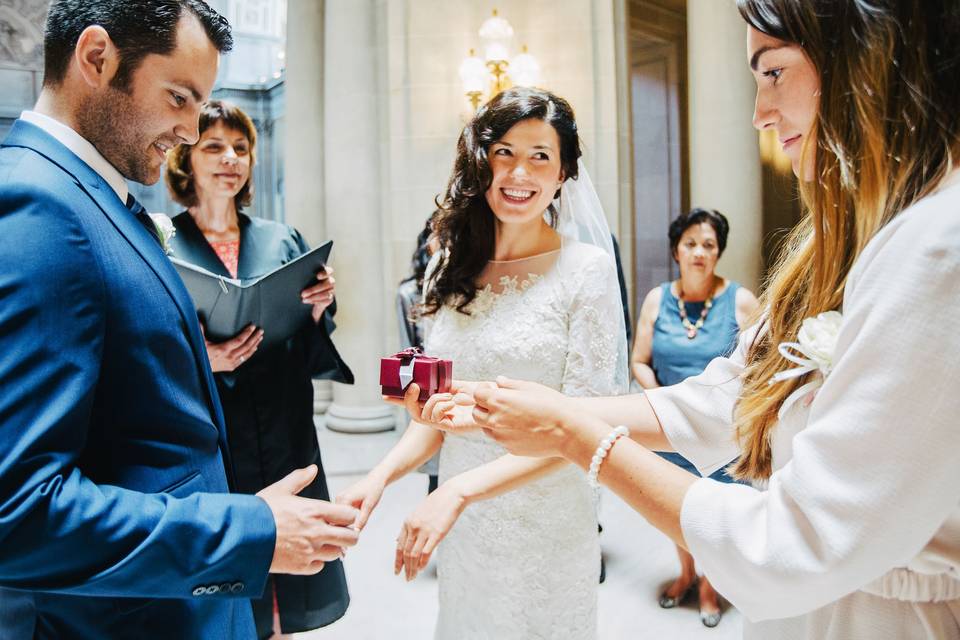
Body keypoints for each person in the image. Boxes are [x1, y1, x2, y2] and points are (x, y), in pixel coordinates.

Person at [432, 1, 960, 639]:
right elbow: (727, 396)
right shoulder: (843, 238)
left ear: (866, 61)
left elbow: (793, 543)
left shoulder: (936, 245)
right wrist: (546, 411)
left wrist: (576, 434)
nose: (759, 113)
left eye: (772, 73)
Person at [0, 2, 359, 638]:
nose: (191, 132)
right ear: (96, 57)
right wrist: (246, 531)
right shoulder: (39, 206)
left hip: (176, 597)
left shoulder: (98, 197)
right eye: (180, 97)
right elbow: (19, 508)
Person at [338, 87, 629, 639]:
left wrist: (457, 492)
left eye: (540, 155)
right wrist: (377, 479)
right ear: (481, 161)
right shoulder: (451, 267)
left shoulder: (586, 272)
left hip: (546, 516)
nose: (519, 172)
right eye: (505, 152)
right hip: (466, 520)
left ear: (564, 172)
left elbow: (583, 433)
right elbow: (436, 422)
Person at [164, 100, 353, 640]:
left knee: (291, 574)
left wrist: (319, 305)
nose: (231, 158)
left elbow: (307, 330)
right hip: (212, 427)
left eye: (241, 148)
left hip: (284, 419)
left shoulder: (281, 238)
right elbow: (147, 344)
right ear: (187, 159)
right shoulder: (161, 241)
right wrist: (205, 357)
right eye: (214, 147)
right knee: (232, 571)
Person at [631, 207, 759, 626]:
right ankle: (686, 573)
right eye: (691, 244)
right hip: (669, 428)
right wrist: (660, 399)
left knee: (717, 512)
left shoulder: (740, 301)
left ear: (719, 251)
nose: (699, 252)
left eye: (709, 244)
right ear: (676, 251)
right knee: (675, 506)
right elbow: (640, 361)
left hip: (722, 430)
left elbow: (761, 367)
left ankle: (711, 585)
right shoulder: (657, 299)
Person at [395, 212, 442, 493]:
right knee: (437, 478)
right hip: (430, 390)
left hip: (469, 386)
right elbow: (406, 353)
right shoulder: (409, 293)